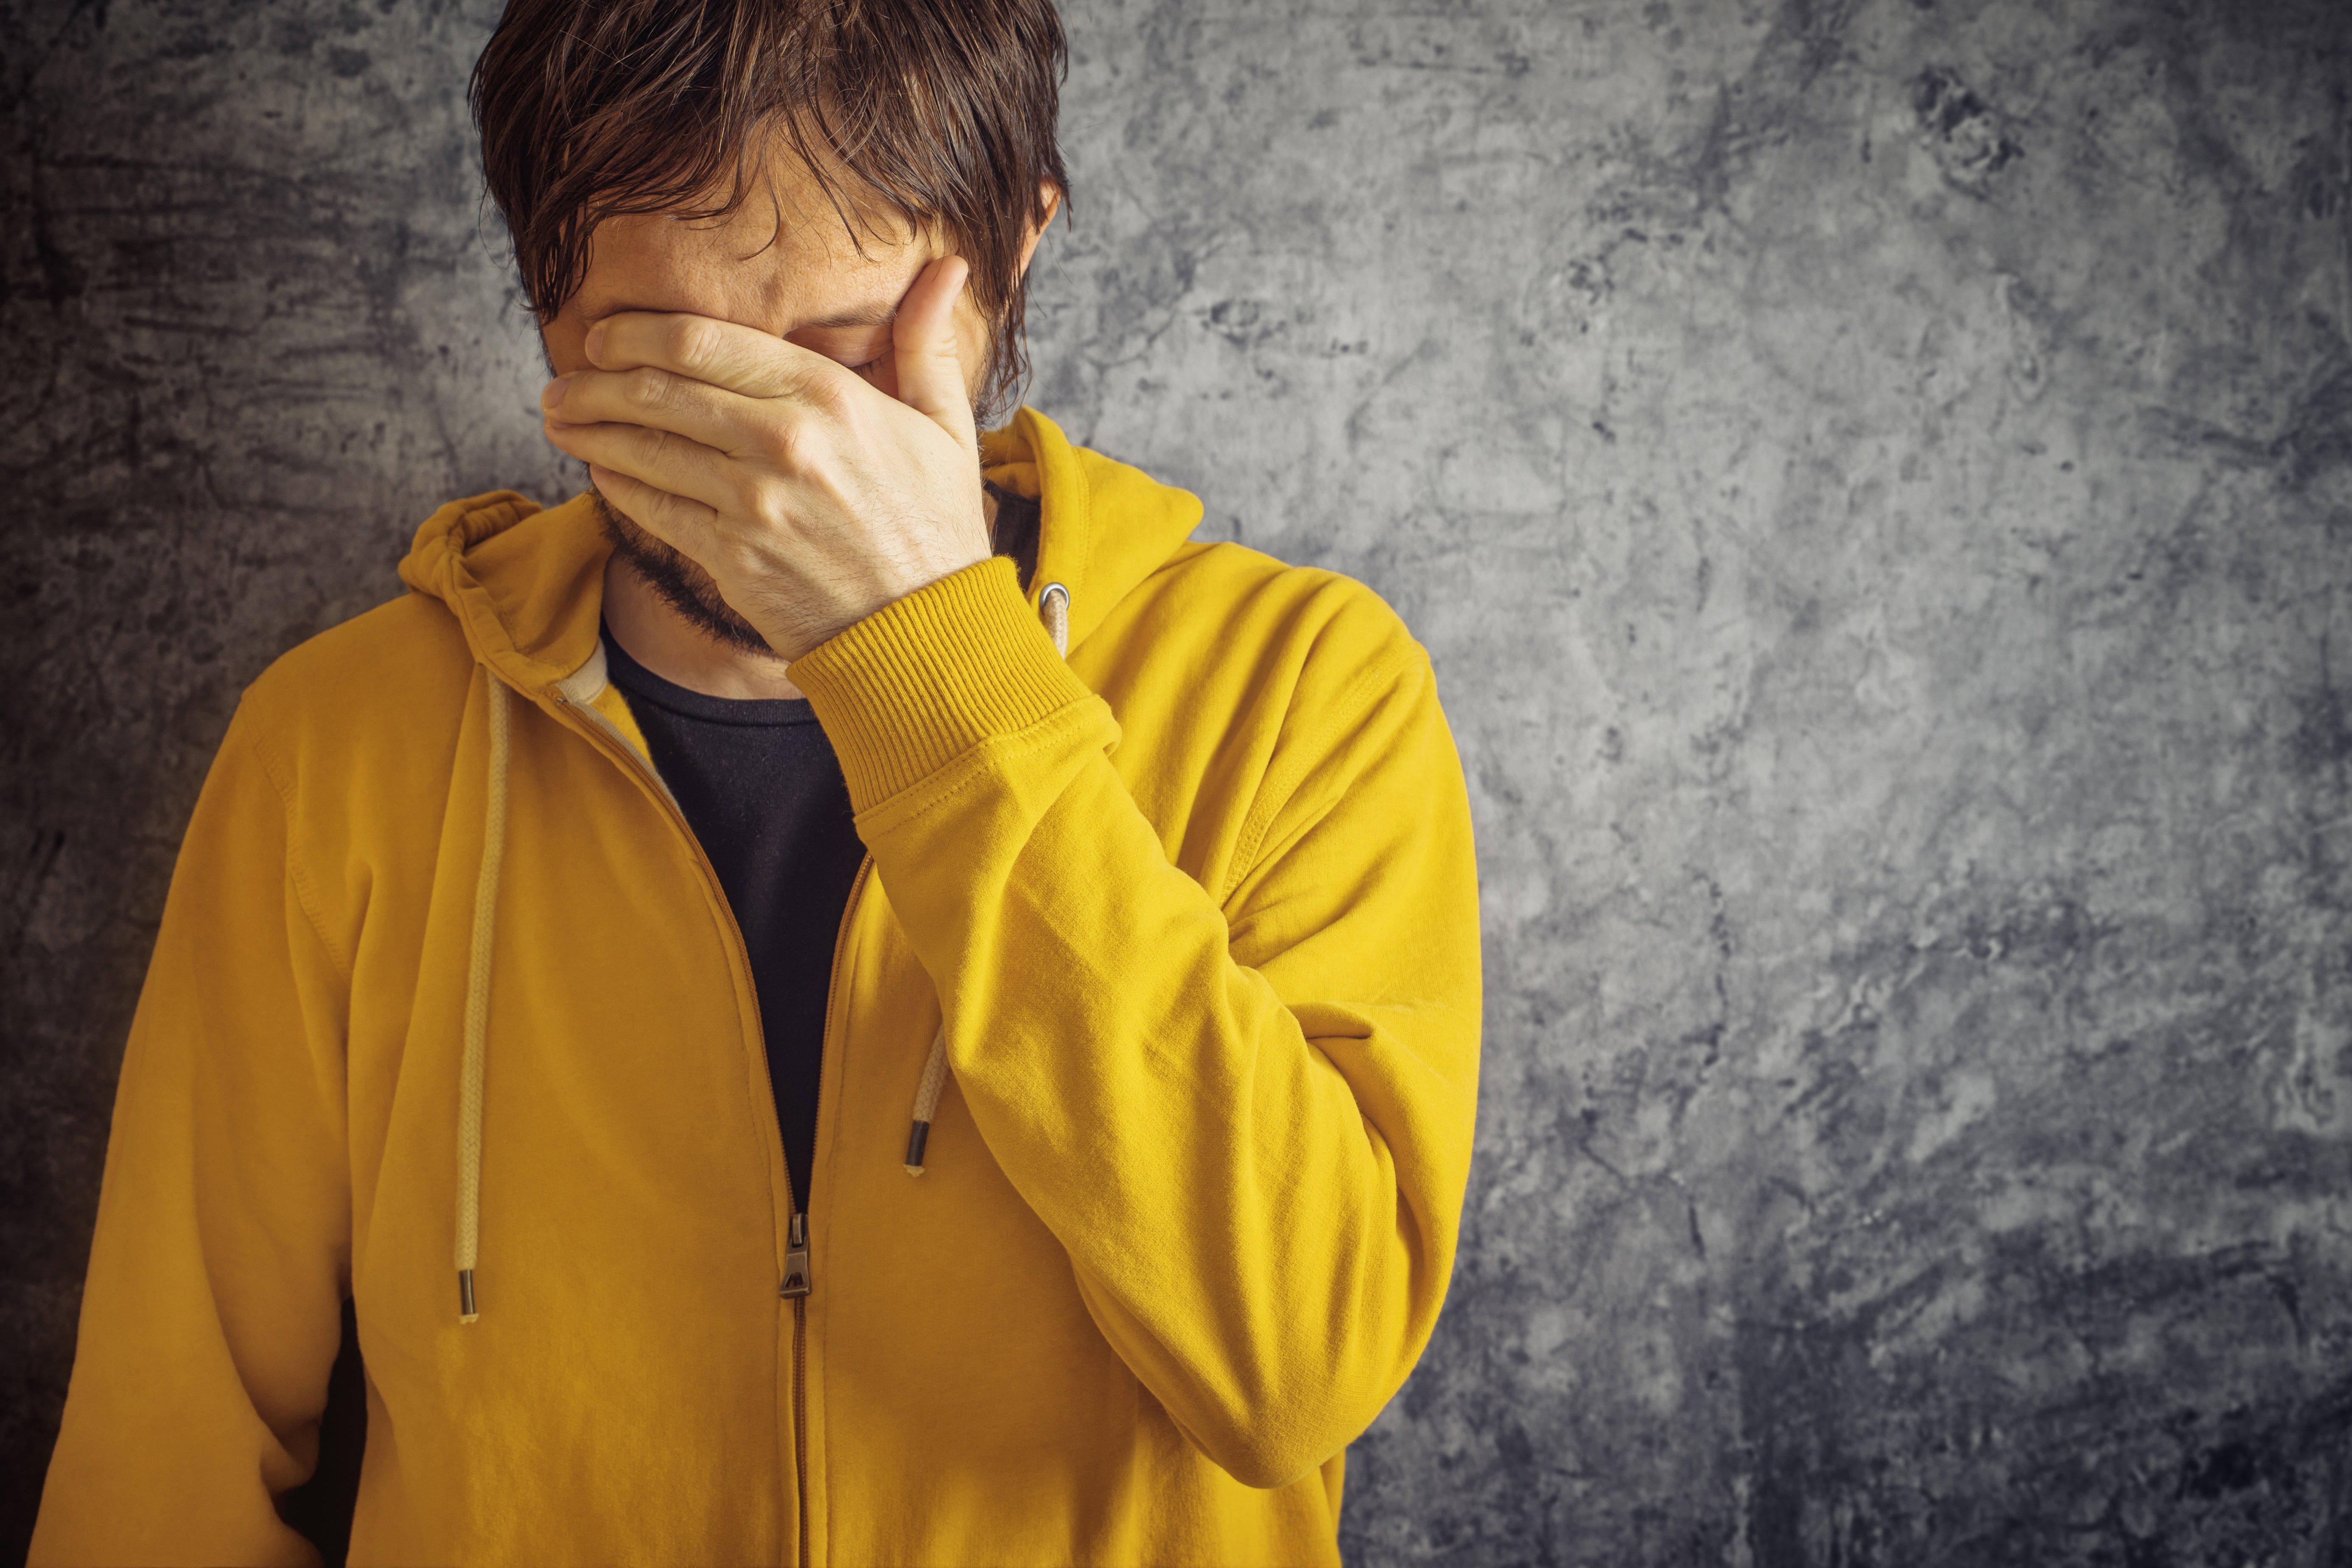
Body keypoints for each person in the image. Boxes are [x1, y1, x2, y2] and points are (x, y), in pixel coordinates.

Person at [29, 0, 1481, 1562]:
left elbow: (1300, 1369)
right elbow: (158, 1473)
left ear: (1016, 252)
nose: (782, 460)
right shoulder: (335, 748)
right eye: (674, 363)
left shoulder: (1305, 689)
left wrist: (931, 666)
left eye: (846, 361)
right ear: (542, 300)